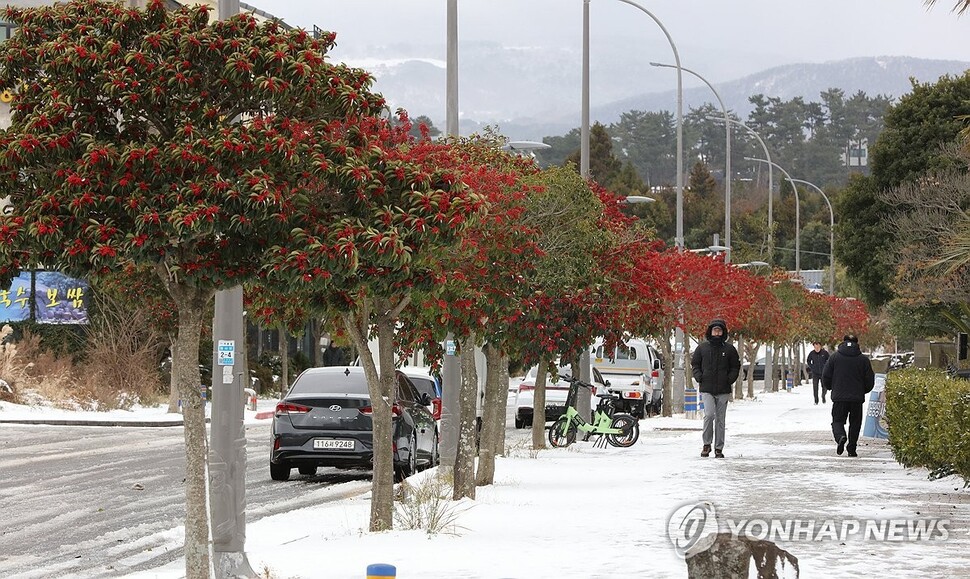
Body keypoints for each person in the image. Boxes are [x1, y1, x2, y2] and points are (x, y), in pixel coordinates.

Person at [692, 319, 741, 458]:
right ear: (710, 331)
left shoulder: (729, 349)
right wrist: (699, 376)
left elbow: (735, 367)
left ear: (723, 332)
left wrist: (729, 379)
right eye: (715, 330)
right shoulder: (702, 348)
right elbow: (695, 364)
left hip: (723, 389)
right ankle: (706, 445)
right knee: (709, 415)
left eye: (719, 330)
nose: (717, 333)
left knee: (720, 419)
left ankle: (719, 448)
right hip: (707, 388)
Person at [821, 334, 875, 457]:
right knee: (855, 423)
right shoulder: (863, 360)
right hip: (857, 398)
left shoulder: (834, 358)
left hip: (839, 397)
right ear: (857, 343)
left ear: (843, 342)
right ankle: (852, 448)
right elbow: (870, 380)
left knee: (837, 421)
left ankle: (840, 436)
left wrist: (831, 387)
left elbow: (826, 375)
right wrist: (863, 390)